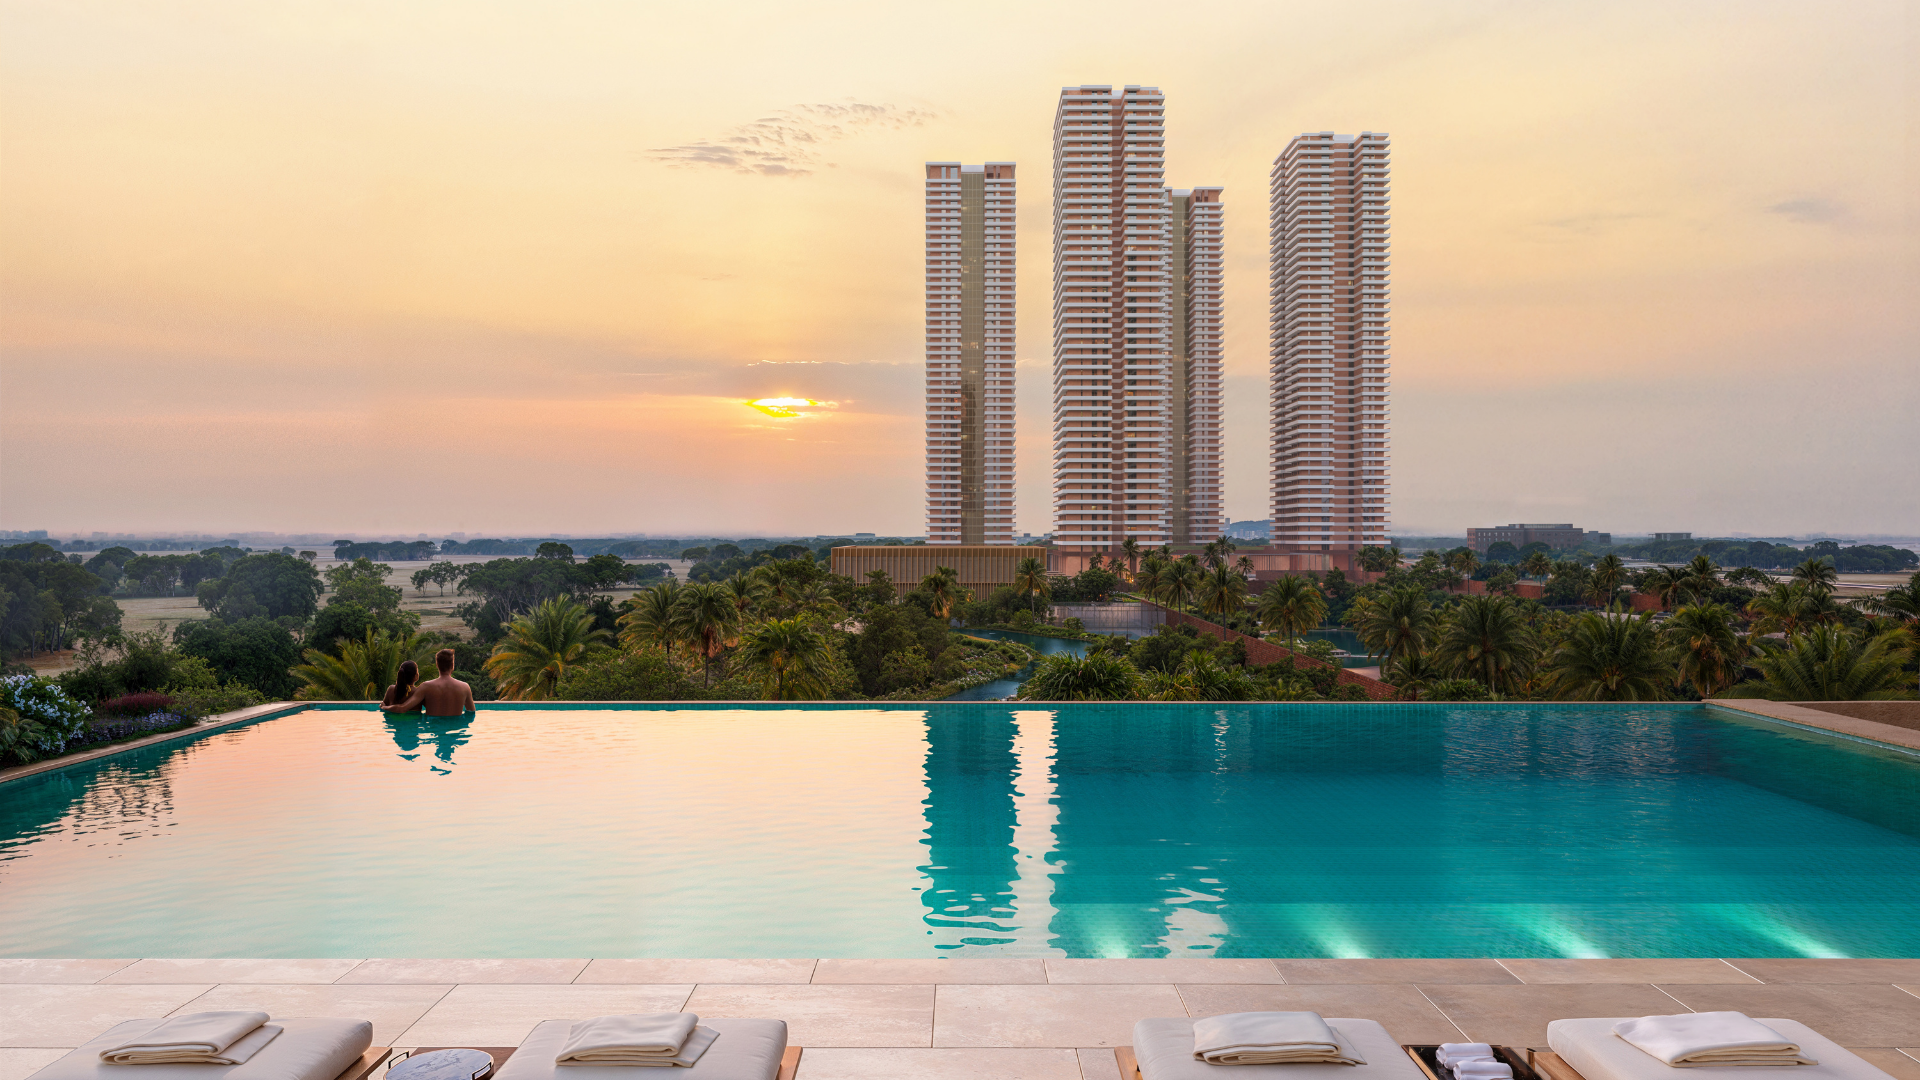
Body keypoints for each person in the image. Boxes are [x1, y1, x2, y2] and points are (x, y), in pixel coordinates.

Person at [381, 648, 475, 717]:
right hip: (456, 731)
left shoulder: (426, 687)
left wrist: (385, 707)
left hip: (433, 728)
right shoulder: (465, 687)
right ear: (452, 665)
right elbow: (471, 714)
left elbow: (402, 708)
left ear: (437, 665)